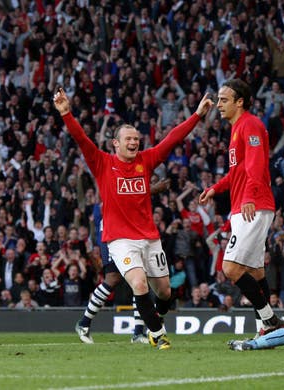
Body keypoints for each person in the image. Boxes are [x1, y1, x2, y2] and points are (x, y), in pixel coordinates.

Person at [54, 87, 214, 350]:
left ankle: (151, 324)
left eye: (136, 139)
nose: (133, 142)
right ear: (115, 143)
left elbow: (171, 139)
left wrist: (197, 115)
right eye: (128, 139)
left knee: (164, 291)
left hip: (149, 237)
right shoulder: (102, 163)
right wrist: (66, 113)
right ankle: (157, 334)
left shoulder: (146, 160)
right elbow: (82, 139)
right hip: (119, 239)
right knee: (137, 283)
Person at [199, 79, 284, 335]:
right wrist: (216, 188)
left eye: (224, 99)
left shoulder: (251, 125)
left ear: (240, 101)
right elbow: (236, 172)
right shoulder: (237, 128)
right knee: (255, 272)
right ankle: (265, 329)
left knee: (231, 268)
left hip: (253, 205)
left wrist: (248, 196)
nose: (219, 104)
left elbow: (257, 165)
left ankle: (270, 320)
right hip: (244, 205)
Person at [75, 180, 170, 345]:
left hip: (132, 234)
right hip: (112, 234)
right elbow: (125, 196)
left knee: (139, 280)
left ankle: (138, 332)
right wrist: (154, 189)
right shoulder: (114, 183)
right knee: (113, 278)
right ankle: (84, 323)